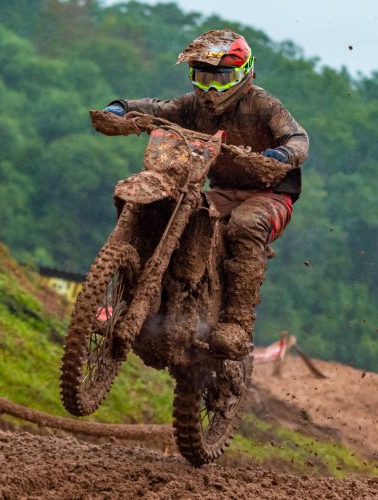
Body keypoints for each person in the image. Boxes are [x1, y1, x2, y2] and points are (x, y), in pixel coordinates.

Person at [102, 29, 309, 361]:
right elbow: (157, 108)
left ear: (245, 74)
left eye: (223, 78)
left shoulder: (263, 105)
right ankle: (161, 295)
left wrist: (284, 154)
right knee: (181, 211)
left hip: (270, 196)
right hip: (223, 191)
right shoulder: (192, 105)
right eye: (202, 77)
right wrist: (121, 108)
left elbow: (298, 138)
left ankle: (236, 321)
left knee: (244, 224)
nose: (211, 88)